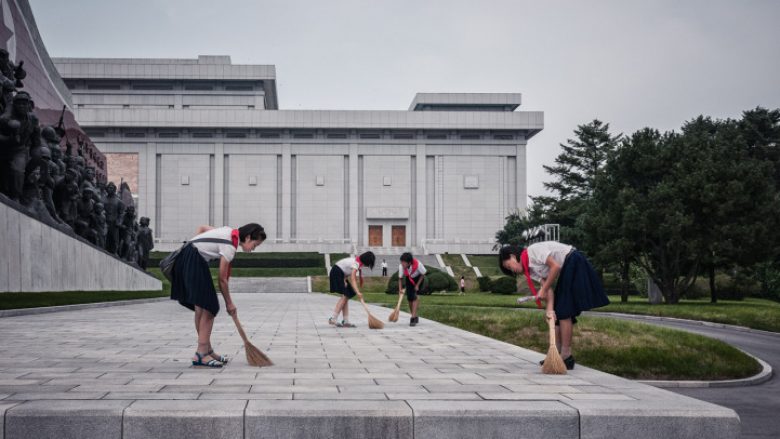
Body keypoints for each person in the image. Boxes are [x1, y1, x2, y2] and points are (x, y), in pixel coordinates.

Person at [499, 242, 609, 370]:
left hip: (574, 260)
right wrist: (550, 311)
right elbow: (548, 290)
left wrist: (543, 289)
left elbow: (555, 267)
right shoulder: (530, 270)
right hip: (567, 268)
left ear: (512, 256)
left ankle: (566, 356)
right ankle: (555, 354)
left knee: (564, 311)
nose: (512, 270)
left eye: (509, 266)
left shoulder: (533, 251)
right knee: (557, 312)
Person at [171, 223, 266, 367]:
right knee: (210, 307)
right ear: (247, 237)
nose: (253, 249)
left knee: (201, 307)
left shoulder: (227, 231)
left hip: (188, 257)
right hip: (193, 260)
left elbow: (202, 228)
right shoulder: (229, 245)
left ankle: (206, 350)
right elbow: (222, 279)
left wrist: (195, 245)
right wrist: (229, 303)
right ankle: (201, 354)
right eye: (254, 244)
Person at [328, 252, 376, 328]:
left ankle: (346, 321)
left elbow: (345, 270)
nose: (367, 265)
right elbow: (353, 278)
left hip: (340, 274)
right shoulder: (356, 263)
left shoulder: (357, 262)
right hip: (336, 272)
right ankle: (333, 318)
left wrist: (344, 279)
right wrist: (358, 292)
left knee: (347, 295)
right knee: (346, 295)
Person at [398, 252, 428, 327]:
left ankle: (413, 318)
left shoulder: (418, 264)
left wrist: (417, 285)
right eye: (401, 262)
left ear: (409, 262)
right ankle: (414, 315)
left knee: (415, 296)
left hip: (418, 279)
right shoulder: (401, 266)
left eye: (404, 262)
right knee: (409, 298)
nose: (402, 264)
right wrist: (400, 290)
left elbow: (423, 274)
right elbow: (400, 278)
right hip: (409, 279)